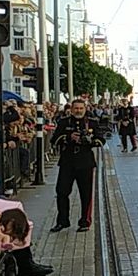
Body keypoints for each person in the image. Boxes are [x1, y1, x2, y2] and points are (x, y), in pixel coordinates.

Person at [50, 99, 103, 232]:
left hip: (85, 163)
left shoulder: (92, 122)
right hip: (67, 162)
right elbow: (54, 140)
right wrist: (68, 137)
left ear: (85, 109)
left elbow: (101, 140)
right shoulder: (63, 122)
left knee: (86, 194)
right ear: (71, 109)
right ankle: (62, 221)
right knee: (61, 192)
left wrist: (88, 141)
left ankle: (85, 221)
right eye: (76, 108)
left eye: (81, 108)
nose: (78, 111)